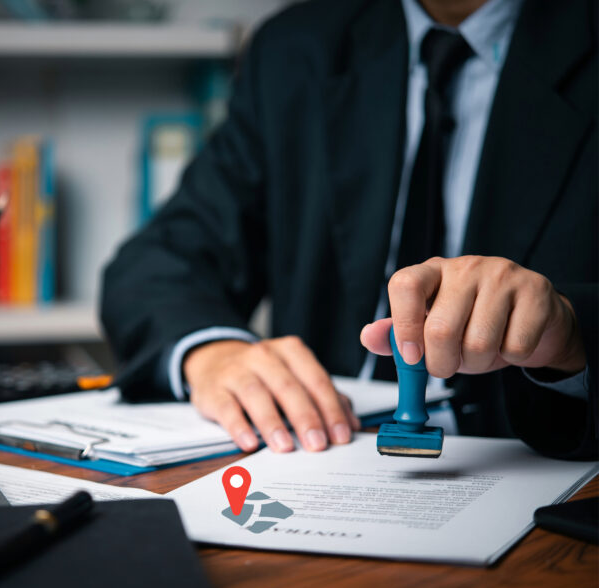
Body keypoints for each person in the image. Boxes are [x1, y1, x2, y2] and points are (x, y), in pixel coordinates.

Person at [101, 0, 597, 460]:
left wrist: (574, 333)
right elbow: (157, 263)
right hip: (320, 452)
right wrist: (213, 351)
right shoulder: (295, 50)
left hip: (540, 465)